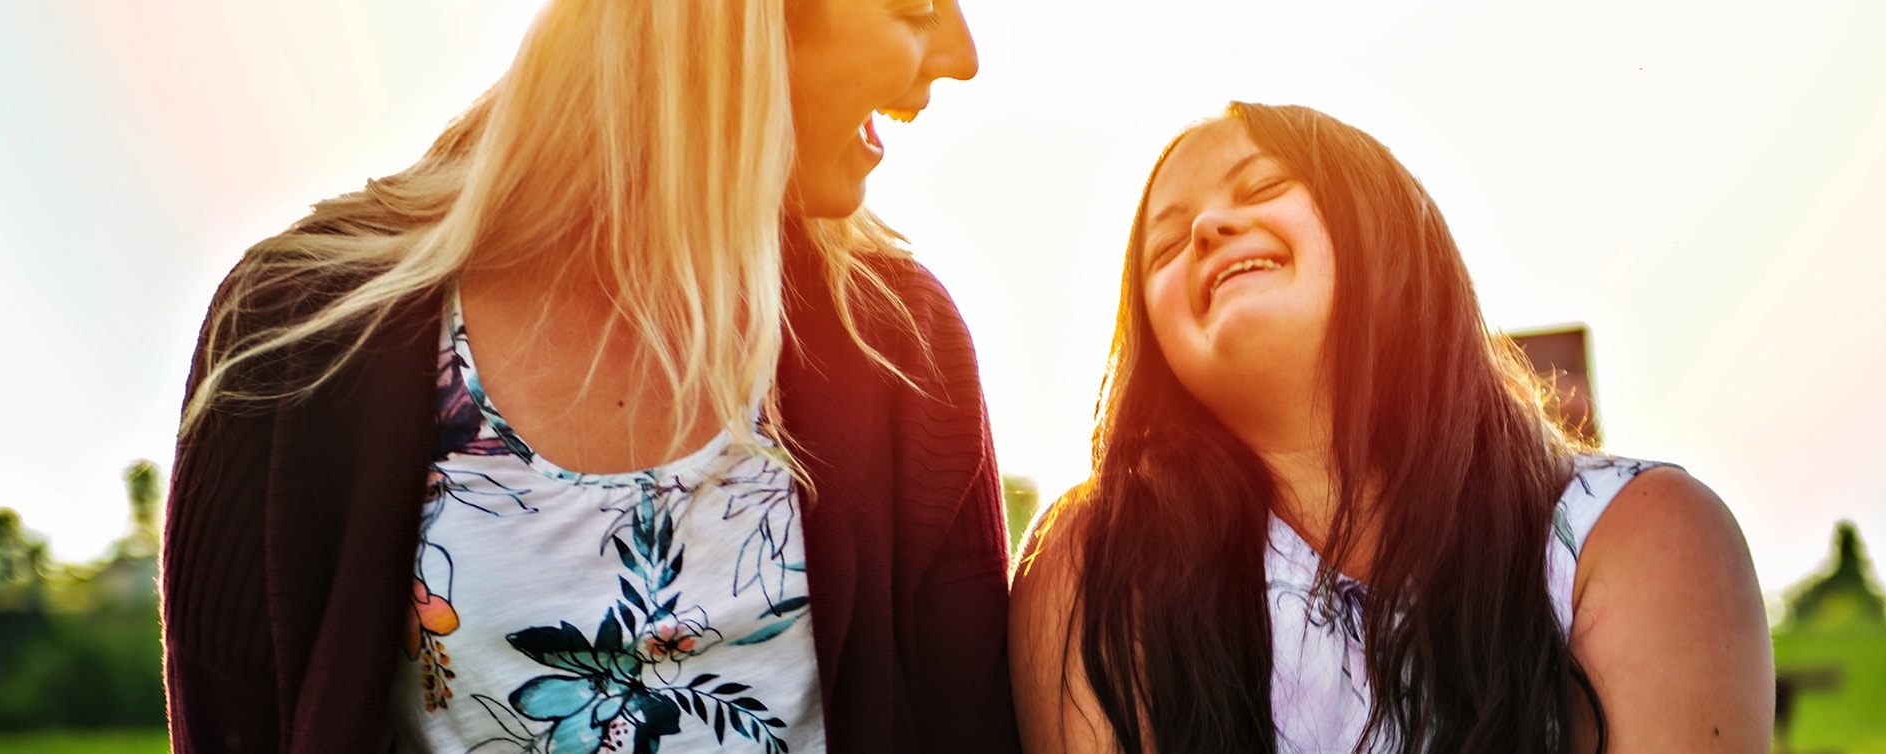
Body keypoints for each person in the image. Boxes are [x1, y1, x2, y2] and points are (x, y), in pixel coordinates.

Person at [161, 1, 1018, 751]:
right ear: (728, 23)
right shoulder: (299, 329)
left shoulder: (900, 340)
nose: (962, 56)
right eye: (912, 9)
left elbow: (968, 727)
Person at [1009, 103, 1773, 753]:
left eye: (1265, 186)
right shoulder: (1091, 566)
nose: (1208, 228)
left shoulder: (1640, 533)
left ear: (1384, 228)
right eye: (1167, 246)